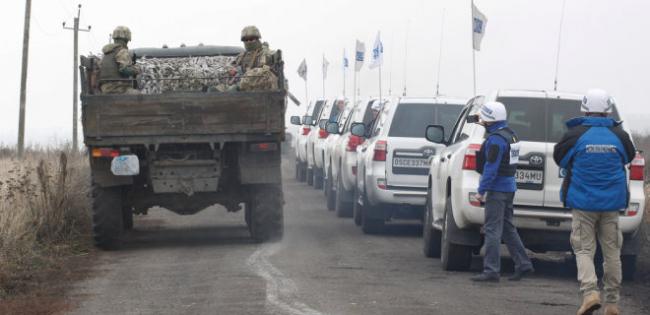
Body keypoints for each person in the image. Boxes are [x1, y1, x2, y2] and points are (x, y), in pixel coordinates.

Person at [553, 89, 635, 315]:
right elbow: (628, 157)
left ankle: (590, 294)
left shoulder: (574, 135)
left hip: (583, 203)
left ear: (585, 108)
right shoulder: (619, 135)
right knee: (612, 253)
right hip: (611, 205)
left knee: (583, 250)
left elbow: (560, 158)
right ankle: (612, 303)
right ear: (608, 110)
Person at [471, 101, 534, 282]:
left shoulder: (496, 139)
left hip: (497, 190)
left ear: (490, 118)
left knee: (492, 229)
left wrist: (481, 190)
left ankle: (491, 270)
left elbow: (491, 167)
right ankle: (523, 264)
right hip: (509, 188)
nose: (481, 120)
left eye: (484, 117)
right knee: (507, 228)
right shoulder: (510, 135)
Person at [99, 26, 139, 94]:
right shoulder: (122, 51)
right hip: (118, 88)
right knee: (139, 96)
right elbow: (124, 70)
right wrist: (136, 70)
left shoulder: (106, 53)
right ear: (126, 40)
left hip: (105, 89)